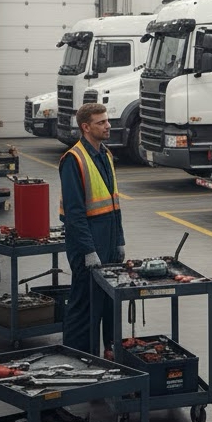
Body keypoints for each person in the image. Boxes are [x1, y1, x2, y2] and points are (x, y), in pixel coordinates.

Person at [59, 103, 125, 356]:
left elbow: (114, 202)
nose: (108, 126)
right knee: (85, 305)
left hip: (108, 240)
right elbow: (74, 214)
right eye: (101, 122)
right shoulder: (73, 160)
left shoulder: (105, 155)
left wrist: (119, 240)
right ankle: (77, 360)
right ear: (86, 127)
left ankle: (108, 358)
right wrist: (88, 250)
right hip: (86, 244)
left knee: (108, 303)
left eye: (107, 121)